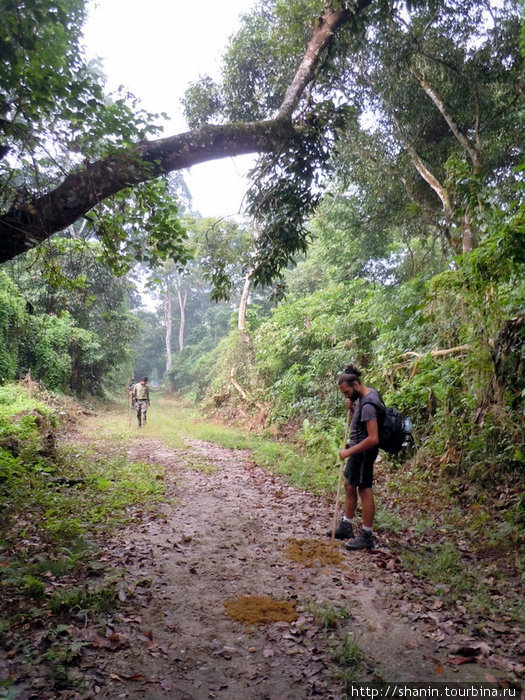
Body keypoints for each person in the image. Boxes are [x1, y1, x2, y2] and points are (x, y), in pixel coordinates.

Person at [330, 364, 381, 550]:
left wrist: (349, 451)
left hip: (363, 453)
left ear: (357, 385)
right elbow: (361, 423)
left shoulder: (368, 403)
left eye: (347, 392)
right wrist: (352, 408)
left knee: (364, 490)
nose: (346, 395)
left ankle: (367, 535)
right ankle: (346, 525)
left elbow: (373, 438)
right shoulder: (364, 397)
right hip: (357, 450)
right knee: (349, 485)